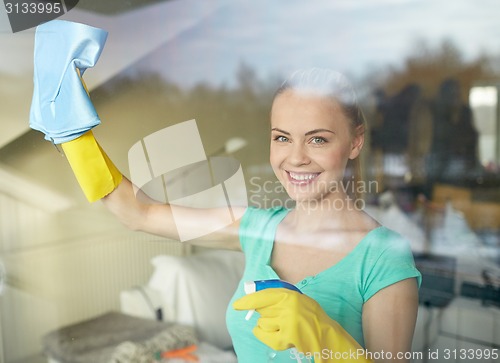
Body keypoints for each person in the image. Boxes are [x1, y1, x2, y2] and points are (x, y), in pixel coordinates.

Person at [30, 21, 421, 363]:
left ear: (355, 143)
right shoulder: (255, 228)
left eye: (317, 140)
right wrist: (73, 135)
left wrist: (324, 335)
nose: (295, 158)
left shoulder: (383, 257)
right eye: (282, 138)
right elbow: (139, 213)